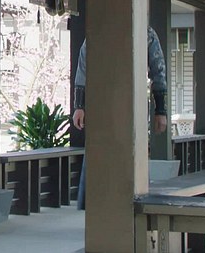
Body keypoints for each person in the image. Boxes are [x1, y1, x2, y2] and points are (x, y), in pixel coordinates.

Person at [71, 26, 168, 210]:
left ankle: (133, 200)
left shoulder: (144, 31)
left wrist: (161, 110)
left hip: (133, 101)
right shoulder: (98, 28)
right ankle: (92, 202)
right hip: (102, 100)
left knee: (132, 151)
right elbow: (83, 65)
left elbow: (158, 70)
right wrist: (79, 106)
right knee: (97, 150)